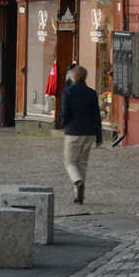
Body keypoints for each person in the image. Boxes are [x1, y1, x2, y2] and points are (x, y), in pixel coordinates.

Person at [60, 64, 101, 205]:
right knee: (82, 163)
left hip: (73, 131)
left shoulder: (68, 91)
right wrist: (99, 137)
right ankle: (79, 196)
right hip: (89, 132)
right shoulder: (92, 93)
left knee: (70, 162)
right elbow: (97, 116)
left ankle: (77, 182)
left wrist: (62, 119)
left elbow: (65, 113)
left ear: (73, 76)